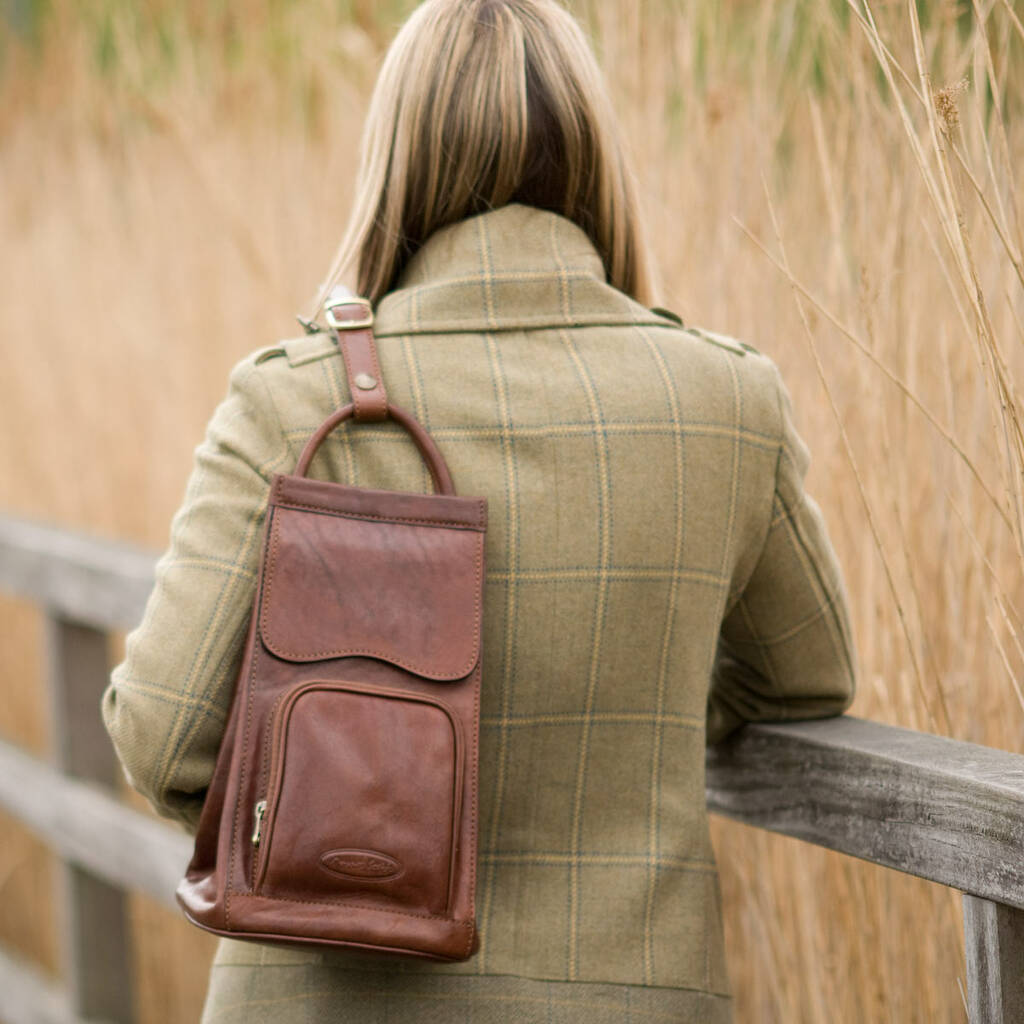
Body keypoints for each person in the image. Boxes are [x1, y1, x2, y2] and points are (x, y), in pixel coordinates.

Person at [101, 1, 857, 1021]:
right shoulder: (723, 401)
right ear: (595, 156)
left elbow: (161, 740)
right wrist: (640, 697)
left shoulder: (294, 397)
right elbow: (806, 679)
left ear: (397, 159)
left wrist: (326, 787)